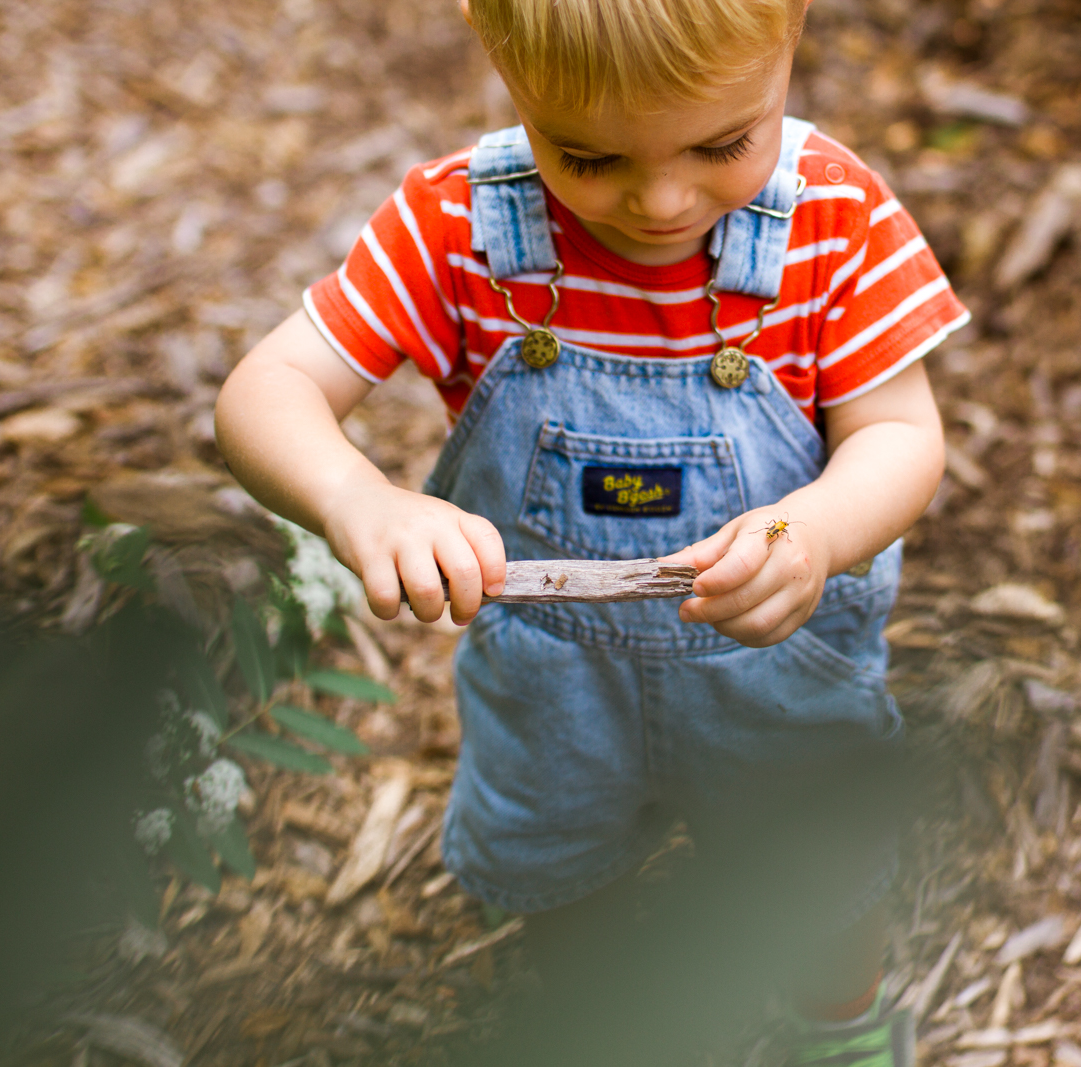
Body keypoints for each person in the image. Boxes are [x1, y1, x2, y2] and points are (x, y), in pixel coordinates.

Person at [215, 0, 968, 1061]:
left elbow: (898, 430)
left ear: (791, 30)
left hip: (777, 656)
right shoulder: (463, 228)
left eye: (721, 144)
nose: (661, 199)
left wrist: (819, 528)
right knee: (558, 864)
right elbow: (266, 388)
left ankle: (836, 1027)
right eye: (588, 155)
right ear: (503, 61)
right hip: (552, 676)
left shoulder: (829, 219)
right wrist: (360, 500)